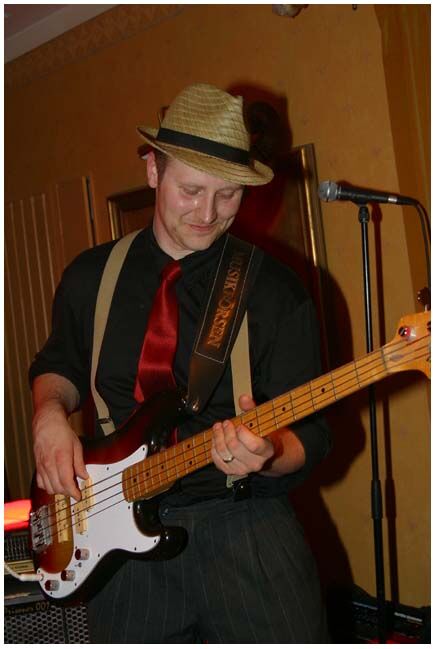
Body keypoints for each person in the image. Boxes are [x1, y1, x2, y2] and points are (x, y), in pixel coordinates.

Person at [29, 83, 331, 643]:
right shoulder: (89, 277)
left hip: (245, 532)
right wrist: (47, 415)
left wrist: (270, 453)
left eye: (228, 194)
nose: (208, 213)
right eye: (191, 190)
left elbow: (313, 434)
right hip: (117, 543)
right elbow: (60, 365)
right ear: (153, 170)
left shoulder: (276, 293)